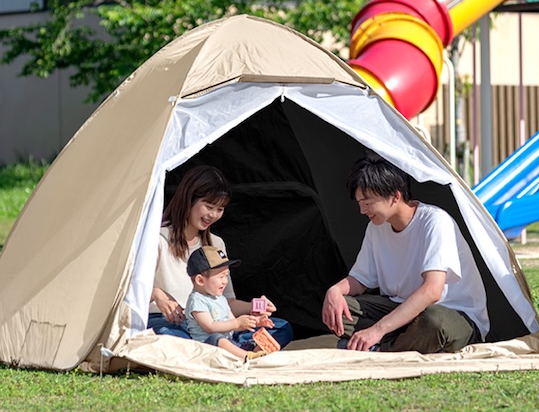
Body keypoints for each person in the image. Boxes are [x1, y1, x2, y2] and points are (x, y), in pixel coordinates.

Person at [321, 152, 484, 354]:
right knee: (339, 309)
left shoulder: (435, 221)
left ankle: (381, 348)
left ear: (395, 196)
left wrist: (378, 329)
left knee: (433, 323)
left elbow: (432, 291)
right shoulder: (376, 227)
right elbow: (360, 279)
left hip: (450, 312)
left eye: (367, 202)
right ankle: (397, 342)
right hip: (400, 310)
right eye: (359, 203)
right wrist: (335, 291)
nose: (362, 210)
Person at [148, 165, 293, 347]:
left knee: (281, 327)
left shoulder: (216, 244)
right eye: (209, 207)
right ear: (188, 200)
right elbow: (126, 288)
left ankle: (223, 347)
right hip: (172, 322)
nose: (213, 215)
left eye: (220, 209)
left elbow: (227, 302)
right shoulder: (157, 238)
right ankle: (231, 348)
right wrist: (156, 294)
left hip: (216, 323)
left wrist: (254, 307)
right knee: (171, 338)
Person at [184, 245, 273, 359]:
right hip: (207, 345)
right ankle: (247, 356)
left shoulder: (221, 298)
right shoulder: (197, 300)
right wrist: (237, 323)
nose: (225, 281)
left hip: (229, 341)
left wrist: (255, 322)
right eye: (221, 277)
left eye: (226, 276)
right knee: (218, 338)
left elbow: (233, 323)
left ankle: (255, 353)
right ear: (200, 280)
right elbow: (210, 327)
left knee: (255, 339)